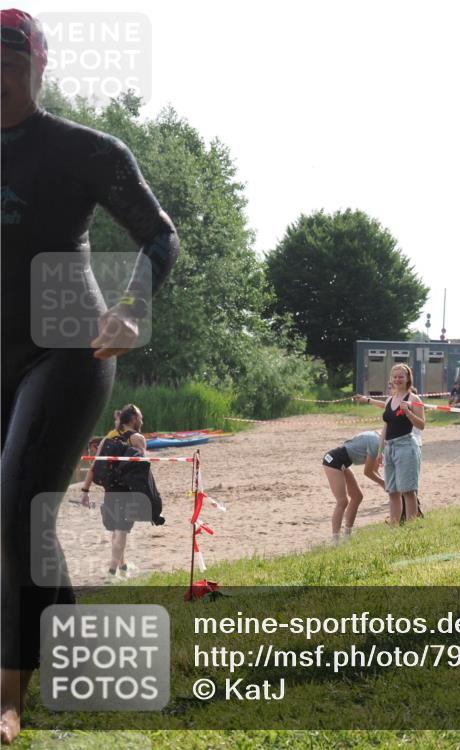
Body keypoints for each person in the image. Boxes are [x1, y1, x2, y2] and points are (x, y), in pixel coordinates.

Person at [1, 11, 179, 744]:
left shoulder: (83, 149)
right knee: (24, 516)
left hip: (71, 348)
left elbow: (160, 234)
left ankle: (7, 693)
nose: (1, 67)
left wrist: (134, 305)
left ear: (41, 64)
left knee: (14, 498)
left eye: (14, 53)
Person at [78, 406, 148, 580]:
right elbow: (143, 468)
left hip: (109, 490)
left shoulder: (108, 437)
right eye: (140, 417)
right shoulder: (138, 438)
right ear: (132, 419)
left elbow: (94, 466)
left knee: (116, 531)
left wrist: (85, 491)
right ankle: (112, 571)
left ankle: (122, 566)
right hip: (126, 491)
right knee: (122, 531)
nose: (142, 421)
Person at [379, 364, 425, 525]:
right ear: (391, 379)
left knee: (408, 490)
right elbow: (386, 426)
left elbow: (421, 425)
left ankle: (411, 526)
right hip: (390, 448)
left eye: (401, 376)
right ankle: (394, 526)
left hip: (406, 446)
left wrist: (408, 412)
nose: (398, 379)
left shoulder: (414, 399)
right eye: (395, 376)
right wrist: (380, 451)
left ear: (408, 379)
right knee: (392, 491)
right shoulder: (389, 400)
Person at [322, 430, 384, 542]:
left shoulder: (379, 441)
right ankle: (335, 540)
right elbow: (368, 472)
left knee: (357, 497)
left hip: (344, 462)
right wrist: (384, 484)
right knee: (342, 501)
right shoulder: (376, 442)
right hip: (333, 460)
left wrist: (385, 484)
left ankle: (347, 536)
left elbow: (374, 470)